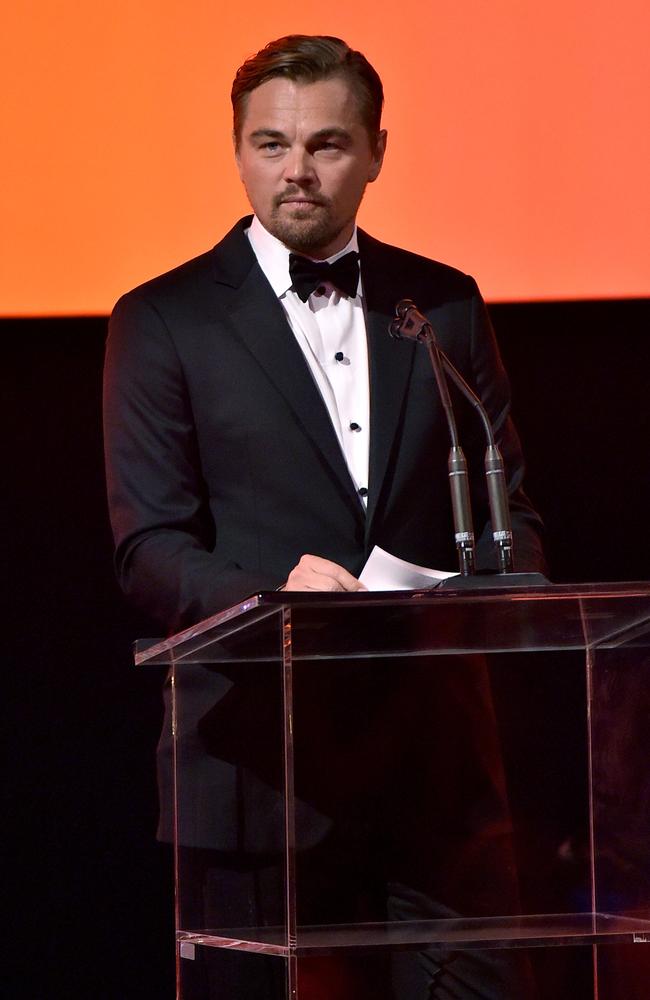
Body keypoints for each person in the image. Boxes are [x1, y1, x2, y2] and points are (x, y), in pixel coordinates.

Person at [104, 34, 544, 999]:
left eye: (328, 146)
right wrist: (274, 597)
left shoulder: (445, 306)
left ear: (377, 151)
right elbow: (149, 547)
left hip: (436, 767)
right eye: (271, 145)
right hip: (263, 764)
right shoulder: (164, 318)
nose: (297, 172)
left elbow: (511, 509)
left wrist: (510, 599)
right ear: (237, 149)